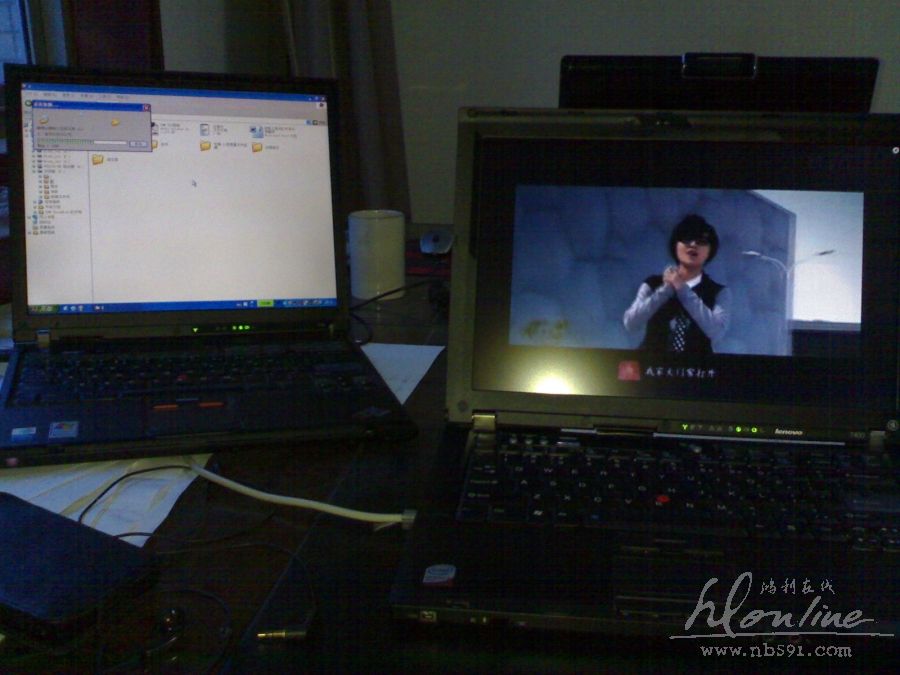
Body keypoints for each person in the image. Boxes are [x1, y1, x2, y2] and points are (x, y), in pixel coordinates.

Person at [623, 214, 731, 354]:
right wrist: (665, 291)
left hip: (698, 366)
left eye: (701, 241)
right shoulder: (652, 284)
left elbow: (717, 332)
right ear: (675, 245)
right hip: (651, 364)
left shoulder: (719, 292)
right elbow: (631, 323)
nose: (693, 244)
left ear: (710, 251)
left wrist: (682, 288)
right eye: (687, 238)